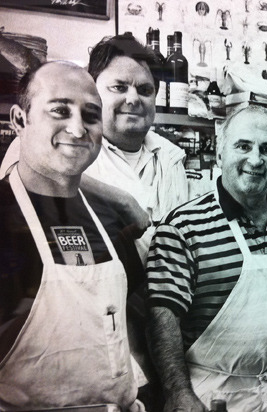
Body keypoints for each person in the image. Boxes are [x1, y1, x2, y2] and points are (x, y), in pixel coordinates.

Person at [0, 61, 142, 410]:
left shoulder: (112, 221)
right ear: (20, 120)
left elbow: (129, 330)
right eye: (60, 111)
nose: (78, 130)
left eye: (91, 116)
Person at [146, 106, 267, 412]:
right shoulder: (183, 225)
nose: (255, 160)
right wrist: (178, 392)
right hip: (209, 395)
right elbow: (162, 316)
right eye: (243, 146)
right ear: (219, 154)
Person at [85, 33, 189, 262]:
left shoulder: (170, 157)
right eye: (119, 87)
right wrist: (121, 201)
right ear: (91, 91)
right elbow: (25, 178)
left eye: (144, 90)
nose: (133, 99)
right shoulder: (68, 146)